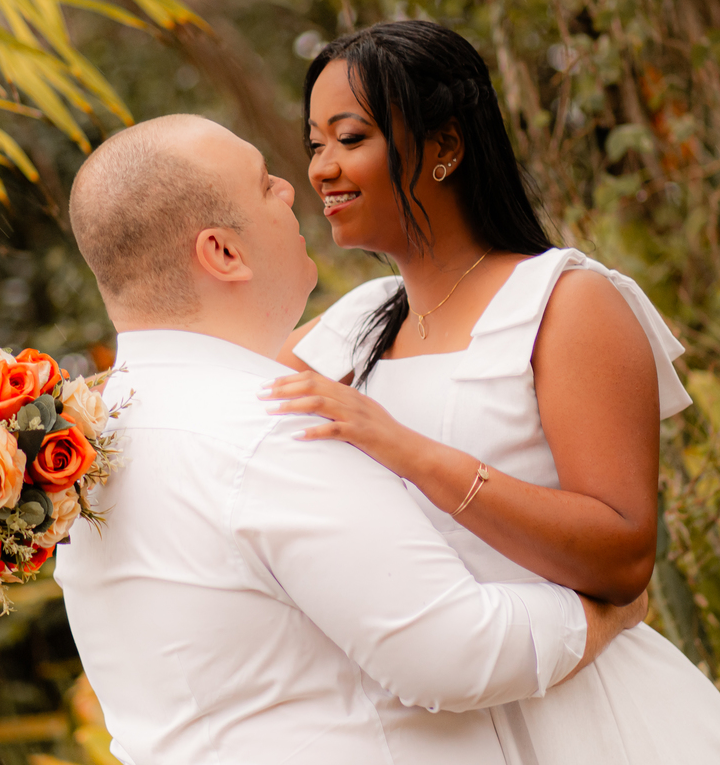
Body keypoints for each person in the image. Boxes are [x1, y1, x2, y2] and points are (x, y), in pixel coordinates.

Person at [55, 114, 644, 765]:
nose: (293, 187)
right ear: (223, 252)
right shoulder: (279, 425)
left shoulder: (80, 444)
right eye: (264, 184)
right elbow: (454, 655)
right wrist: (604, 612)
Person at [265, 20, 720, 763]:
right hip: (434, 731)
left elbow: (623, 557)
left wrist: (406, 450)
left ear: (446, 148)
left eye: (350, 138)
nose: (323, 169)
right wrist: (40, 424)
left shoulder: (566, 301)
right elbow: (212, 412)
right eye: (315, 145)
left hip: (589, 718)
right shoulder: (354, 322)